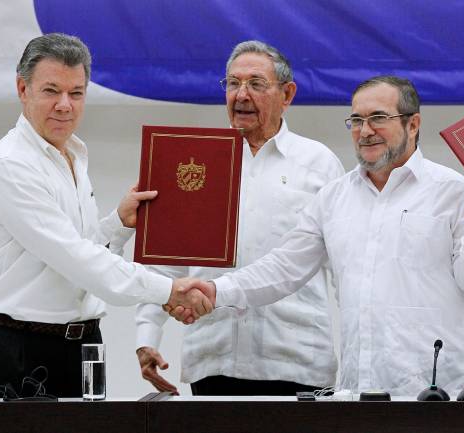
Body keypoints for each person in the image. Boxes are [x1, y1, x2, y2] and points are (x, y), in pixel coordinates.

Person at [173, 76, 464, 397]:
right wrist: (216, 290)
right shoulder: (334, 198)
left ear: (412, 124)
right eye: (356, 120)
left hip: (442, 391)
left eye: (378, 118)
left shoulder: (452, 190)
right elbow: (283, 267)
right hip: (362, 390)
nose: (366, 131)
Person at [0, 33, 209, 398]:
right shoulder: (11, 165)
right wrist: (169, 290)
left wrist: (120, 224)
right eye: (51, 90)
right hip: (16, 350)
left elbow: (80, 256)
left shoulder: (73, 155)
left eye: (76, 93)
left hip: (79, 347)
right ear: (22, 89)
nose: (65, 105)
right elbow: (78, 260)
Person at [134, 40, 344, 395]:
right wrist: (147, 335)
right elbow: (165, 260)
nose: (241, 95)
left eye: (256, 84)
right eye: (232, 83)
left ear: (287, 94)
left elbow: (344, 266)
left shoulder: (319, 165)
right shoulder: (193, 163)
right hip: (214, 359)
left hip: (297, 363)